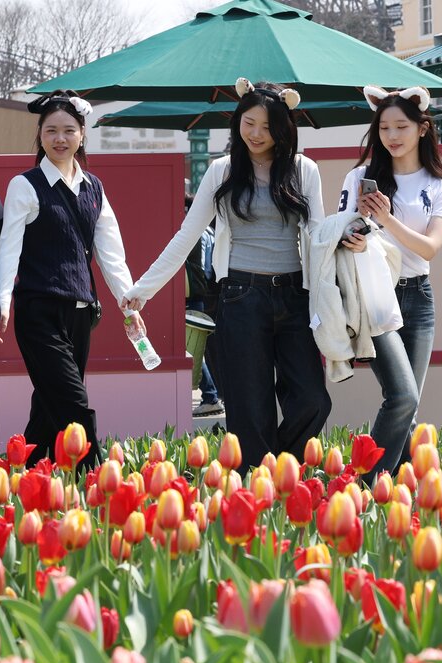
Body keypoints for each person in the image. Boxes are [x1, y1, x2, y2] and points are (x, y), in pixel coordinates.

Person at [125, 78, 329, 468]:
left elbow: (318, 235)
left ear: (285, 128)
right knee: (249, 412)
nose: (256, 134)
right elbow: (187, 235)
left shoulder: (304, 171)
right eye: (248, 122)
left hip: (294, 298)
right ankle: (259, 491)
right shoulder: (222, 171)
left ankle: (281, 466)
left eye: (268, 127)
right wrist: (143, 289)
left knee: (312, 400)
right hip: (240, 297)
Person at [0, 90, 133, 469]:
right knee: (73, 401)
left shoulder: (94, 188)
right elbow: (9, 248)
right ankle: (97, 479)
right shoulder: (25, 185)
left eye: (68, 130)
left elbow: (110, 253)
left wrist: (129, 301)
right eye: (51, 130)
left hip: (81, 314)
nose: (60, 138)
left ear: (82, 134)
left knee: (48, 403)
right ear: (40, 135)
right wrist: (3, 301)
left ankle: (27, 471)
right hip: (38, 312)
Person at [339, 86, 442, 478]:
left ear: (422, 129)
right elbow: (337, 233)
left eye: (401, 126)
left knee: (410, 403)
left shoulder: (440, 187)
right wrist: (351, 236)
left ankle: (400, 493)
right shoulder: (359, 177)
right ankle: (368, 483)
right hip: (374, 296)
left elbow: (430, 248)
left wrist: (387, 218)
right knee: (403, 396)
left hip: (419, 298)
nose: (391, 135)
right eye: (384, 127)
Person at [183, 194, 223, 416]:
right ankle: (212, 394)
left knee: (191, 349)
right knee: (197, 346)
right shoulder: (207, 232)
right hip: (203, 295)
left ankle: (210, 395)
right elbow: (209, 266)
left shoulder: (187, 232)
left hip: (189, 296)